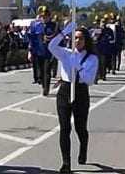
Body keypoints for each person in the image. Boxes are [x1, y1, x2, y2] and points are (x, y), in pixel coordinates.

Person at [48, 23, 99, 173]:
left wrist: (76, 72)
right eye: (75, 38)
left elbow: (89, 80)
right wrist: (64, 32)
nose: (77, 41)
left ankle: (83, 150)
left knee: (80, 128)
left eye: (81, 38)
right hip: (64, 90)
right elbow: (51, 46)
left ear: (86, 40)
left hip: (80, 91)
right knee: (65, 128)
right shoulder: (66, 53)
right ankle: (66, 163)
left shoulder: (92, 58)